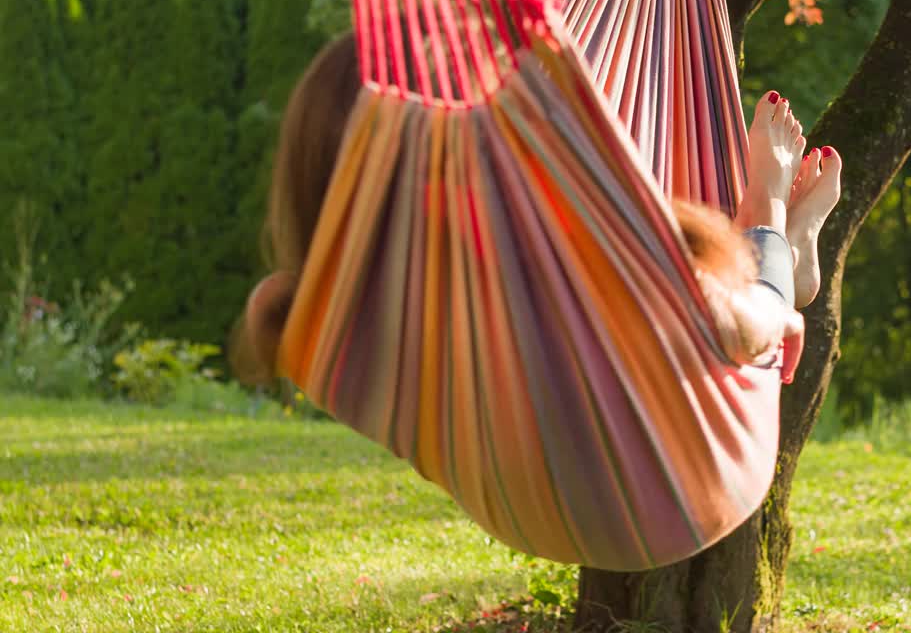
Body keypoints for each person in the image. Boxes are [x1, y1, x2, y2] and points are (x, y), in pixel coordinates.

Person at [232, 32, 842, 388]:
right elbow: (743, 338)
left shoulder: (345, 324)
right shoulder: (542, 274)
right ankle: (774, 236)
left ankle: (784, 258)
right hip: (676, 453)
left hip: (515, 489)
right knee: (740, 297)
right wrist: (777, 313)